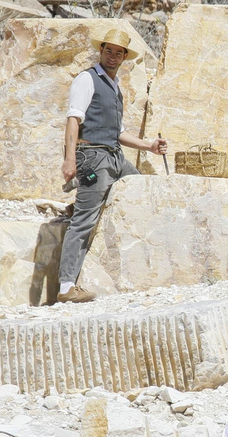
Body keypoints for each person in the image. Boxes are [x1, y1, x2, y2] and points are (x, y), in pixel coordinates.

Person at [57, 27, 168, 303]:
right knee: (83, 221)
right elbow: (74, 120)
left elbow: (117, 132)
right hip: (92, 157)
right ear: (101, 50)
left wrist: (149, 145)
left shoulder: (114, 86)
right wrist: (69, 159)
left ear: (124, 57)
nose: (113, 57)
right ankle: (66, 287)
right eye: (109, 51)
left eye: (119, 53)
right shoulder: (87, 79)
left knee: (141, 187)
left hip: (115, 156)